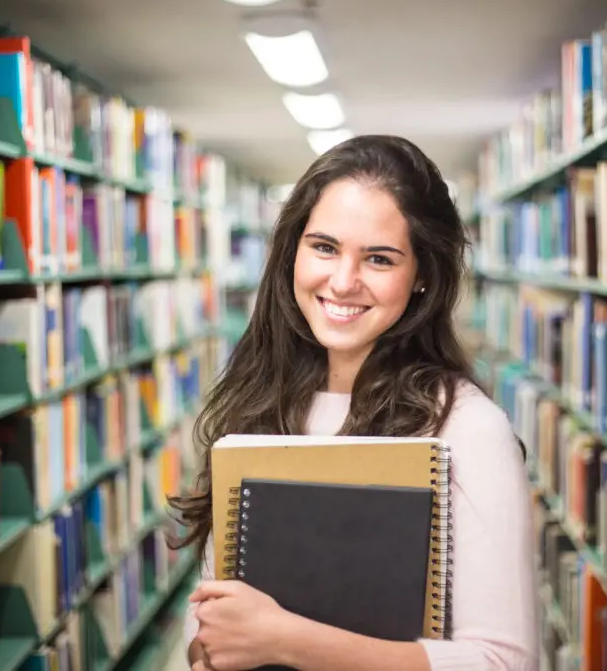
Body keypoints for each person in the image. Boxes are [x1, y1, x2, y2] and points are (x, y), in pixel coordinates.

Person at [167, 134, 539, 671]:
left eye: (380, 259)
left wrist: (283, 640)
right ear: (291, 252)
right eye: (324, 247)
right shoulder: (255, 399)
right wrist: (207, 644)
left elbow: (503, 663)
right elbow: (211, 601)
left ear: (422, 278)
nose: (342, 282)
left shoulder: (466, 426)